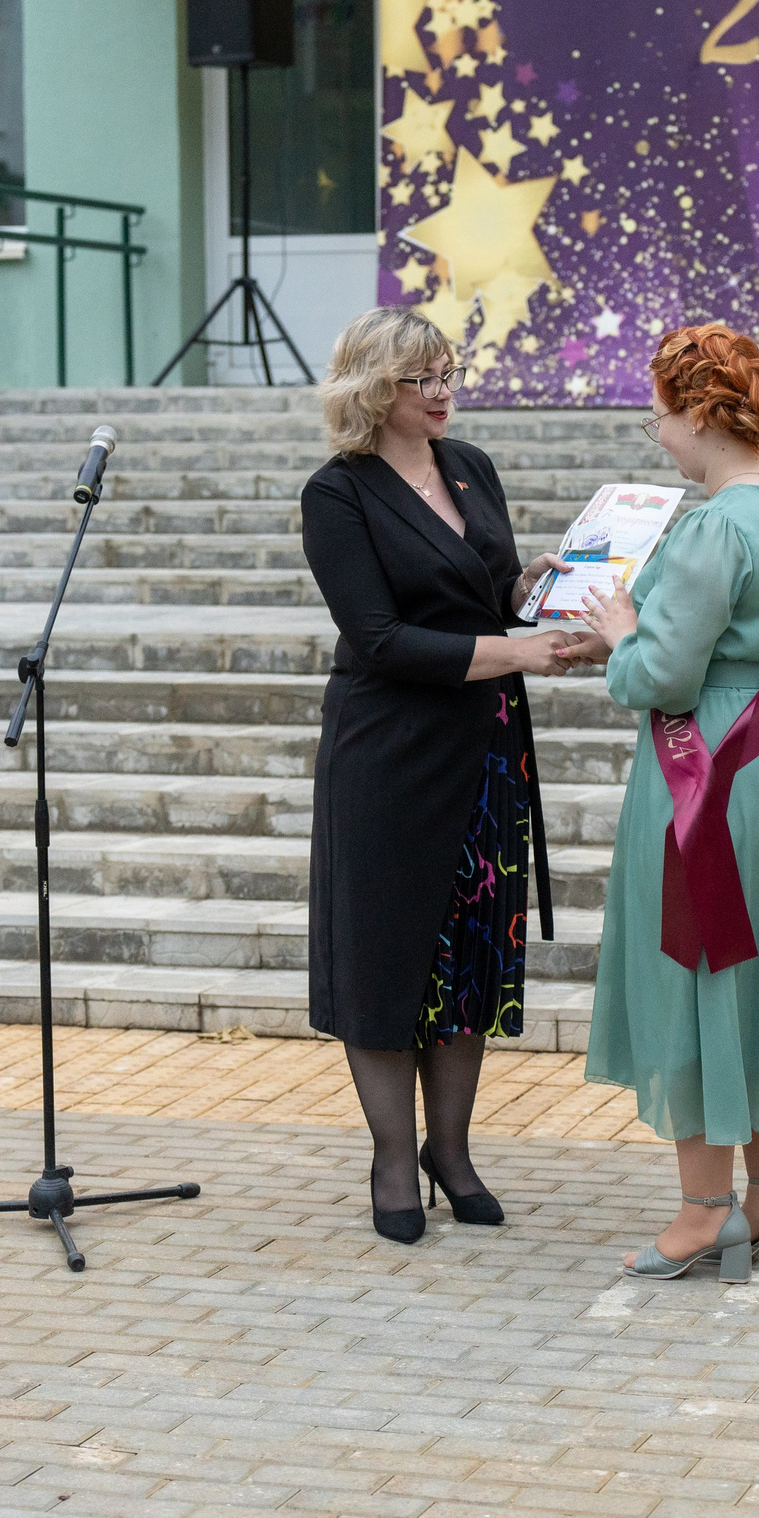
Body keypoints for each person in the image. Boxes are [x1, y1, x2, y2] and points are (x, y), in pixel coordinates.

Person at [557, 323, 759, 1283]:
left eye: (660, 415)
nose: (656, 431)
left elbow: (665, 678)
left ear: (702, 414)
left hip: (711, 760)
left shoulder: (715, 522)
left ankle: (703, 1211)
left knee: (700, 961)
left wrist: (623, 632)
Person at [299, 306, 582, 1245]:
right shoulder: (337, 494)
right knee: (387, 955)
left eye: (449, 371)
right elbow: (379, 637)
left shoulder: (473, 468)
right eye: (425, 377)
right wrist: (517, 649)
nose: (444, 390)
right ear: (377, 389)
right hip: (386, 755)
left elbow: (478, 587)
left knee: (469, 954)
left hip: (483, 748)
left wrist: (530, 589)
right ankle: (392, 1156)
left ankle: (450, 1153)